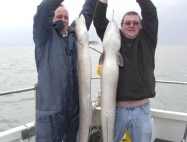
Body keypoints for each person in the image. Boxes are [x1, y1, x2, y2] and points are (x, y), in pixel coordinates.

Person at [93, 0, 158, 142]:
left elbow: (150, 12)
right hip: (115, 110)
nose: (131, 25)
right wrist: (103, 2)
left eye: (135, 23)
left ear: (141, 26)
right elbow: (98, 19)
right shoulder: (113, 41)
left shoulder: (148, 40)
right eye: (127, 23)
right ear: (121, 27)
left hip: (142, 110)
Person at [33, 0, 97, 141]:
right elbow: (44, 8)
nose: (63, 20)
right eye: (59, 17)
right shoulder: (43, 37)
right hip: (50, 114)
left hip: (73, 114)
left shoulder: (75, 36)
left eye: (66, 17)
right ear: (50, 19)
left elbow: (87, 12)